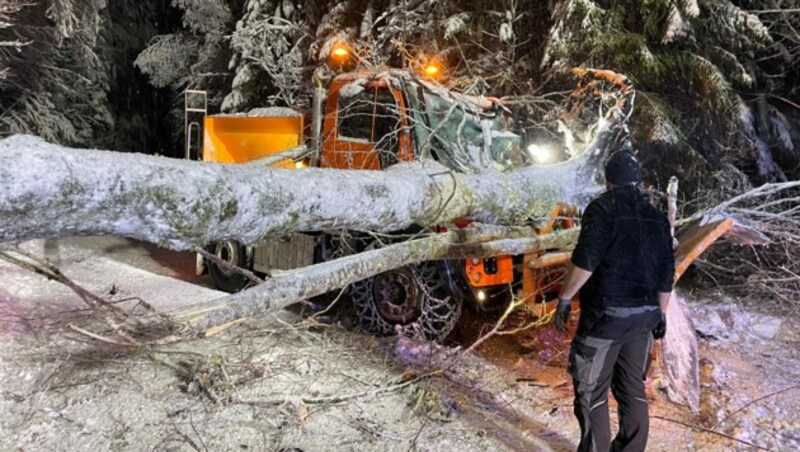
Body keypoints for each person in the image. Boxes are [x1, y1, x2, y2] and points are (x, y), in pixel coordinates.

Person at [555, 149, 674, 452]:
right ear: (638, 183)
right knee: (633, 388)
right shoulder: (657, 217)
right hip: (644, 318)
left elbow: (586, 260)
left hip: (607, 318)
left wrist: (566, 298)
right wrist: (660, 315)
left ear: (608, 180)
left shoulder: (602, 209)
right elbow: (665, 274)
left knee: (593, 392)